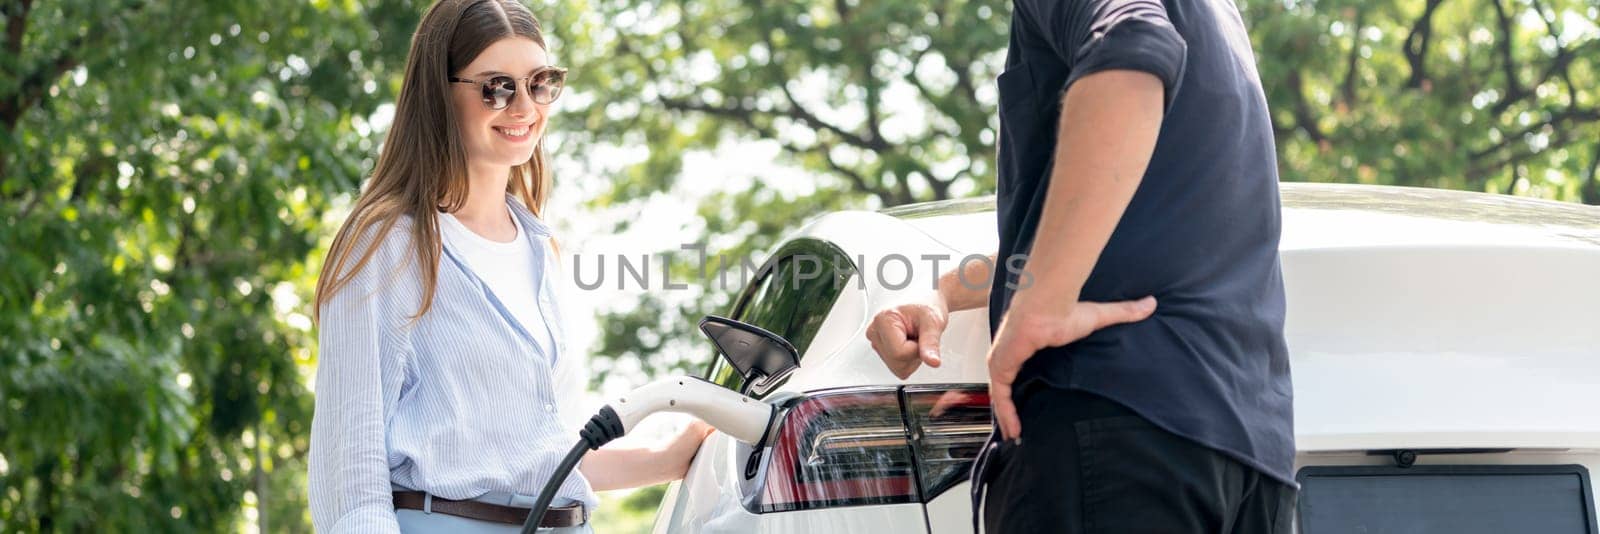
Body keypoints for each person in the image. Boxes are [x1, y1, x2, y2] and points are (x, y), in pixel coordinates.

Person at [865, 0, 1297, 531]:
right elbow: (1106, 224)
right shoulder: (1216, 15)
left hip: (1113, 427)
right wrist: (945, 294)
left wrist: (1040, 304)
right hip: (1248, 457)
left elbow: (1132, 45)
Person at [307, 1, 712, 532]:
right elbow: (349, 477)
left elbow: (543, 456)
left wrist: (671, 454)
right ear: (440, 94)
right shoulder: (389, 243)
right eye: (497, 87)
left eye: (540, 83)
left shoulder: (541, 250)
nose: (524, 107)